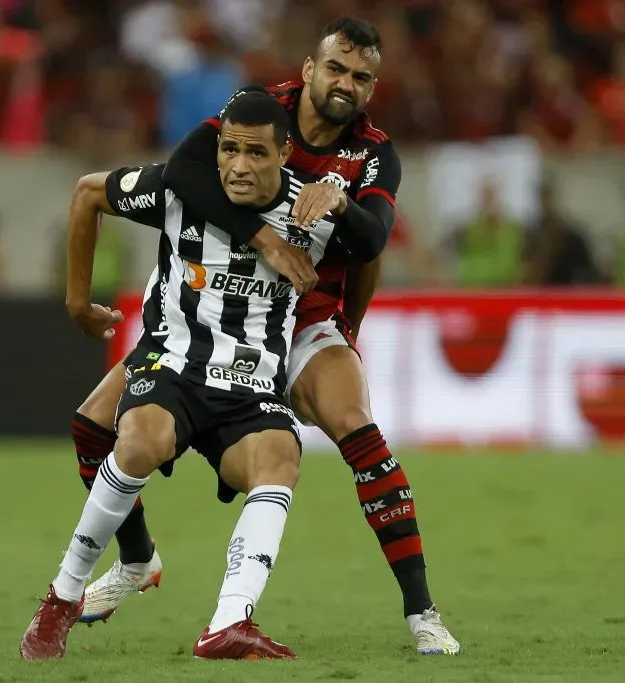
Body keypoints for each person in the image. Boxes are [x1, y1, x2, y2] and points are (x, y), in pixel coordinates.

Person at [71, 17, 461, 656]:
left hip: (304, 323)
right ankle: (137, 559)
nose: (346, 85)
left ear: (372, 86)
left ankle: (423, 615)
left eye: (362, 77)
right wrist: (266, 238)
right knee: (92, 426)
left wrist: (340, 209)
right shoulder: (258, 113)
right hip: (214, 318)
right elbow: (184, 173)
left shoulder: (372, 153)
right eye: (335, 69)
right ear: (309, 70)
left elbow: (372, 242)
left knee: (361, 433)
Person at [21, 92, 349, 661]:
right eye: (228, 150)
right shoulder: (180, 188)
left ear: (285, 154)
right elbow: (87, 192)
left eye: (255, 153)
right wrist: (77, 302)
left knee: (280, 461)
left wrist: (350, 323)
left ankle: (228, 623)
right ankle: (63, 595)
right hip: (172, 363)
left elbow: (371, 243)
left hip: (252, 384)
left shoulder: (312, 217)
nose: (239, 166)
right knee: (136, 437)